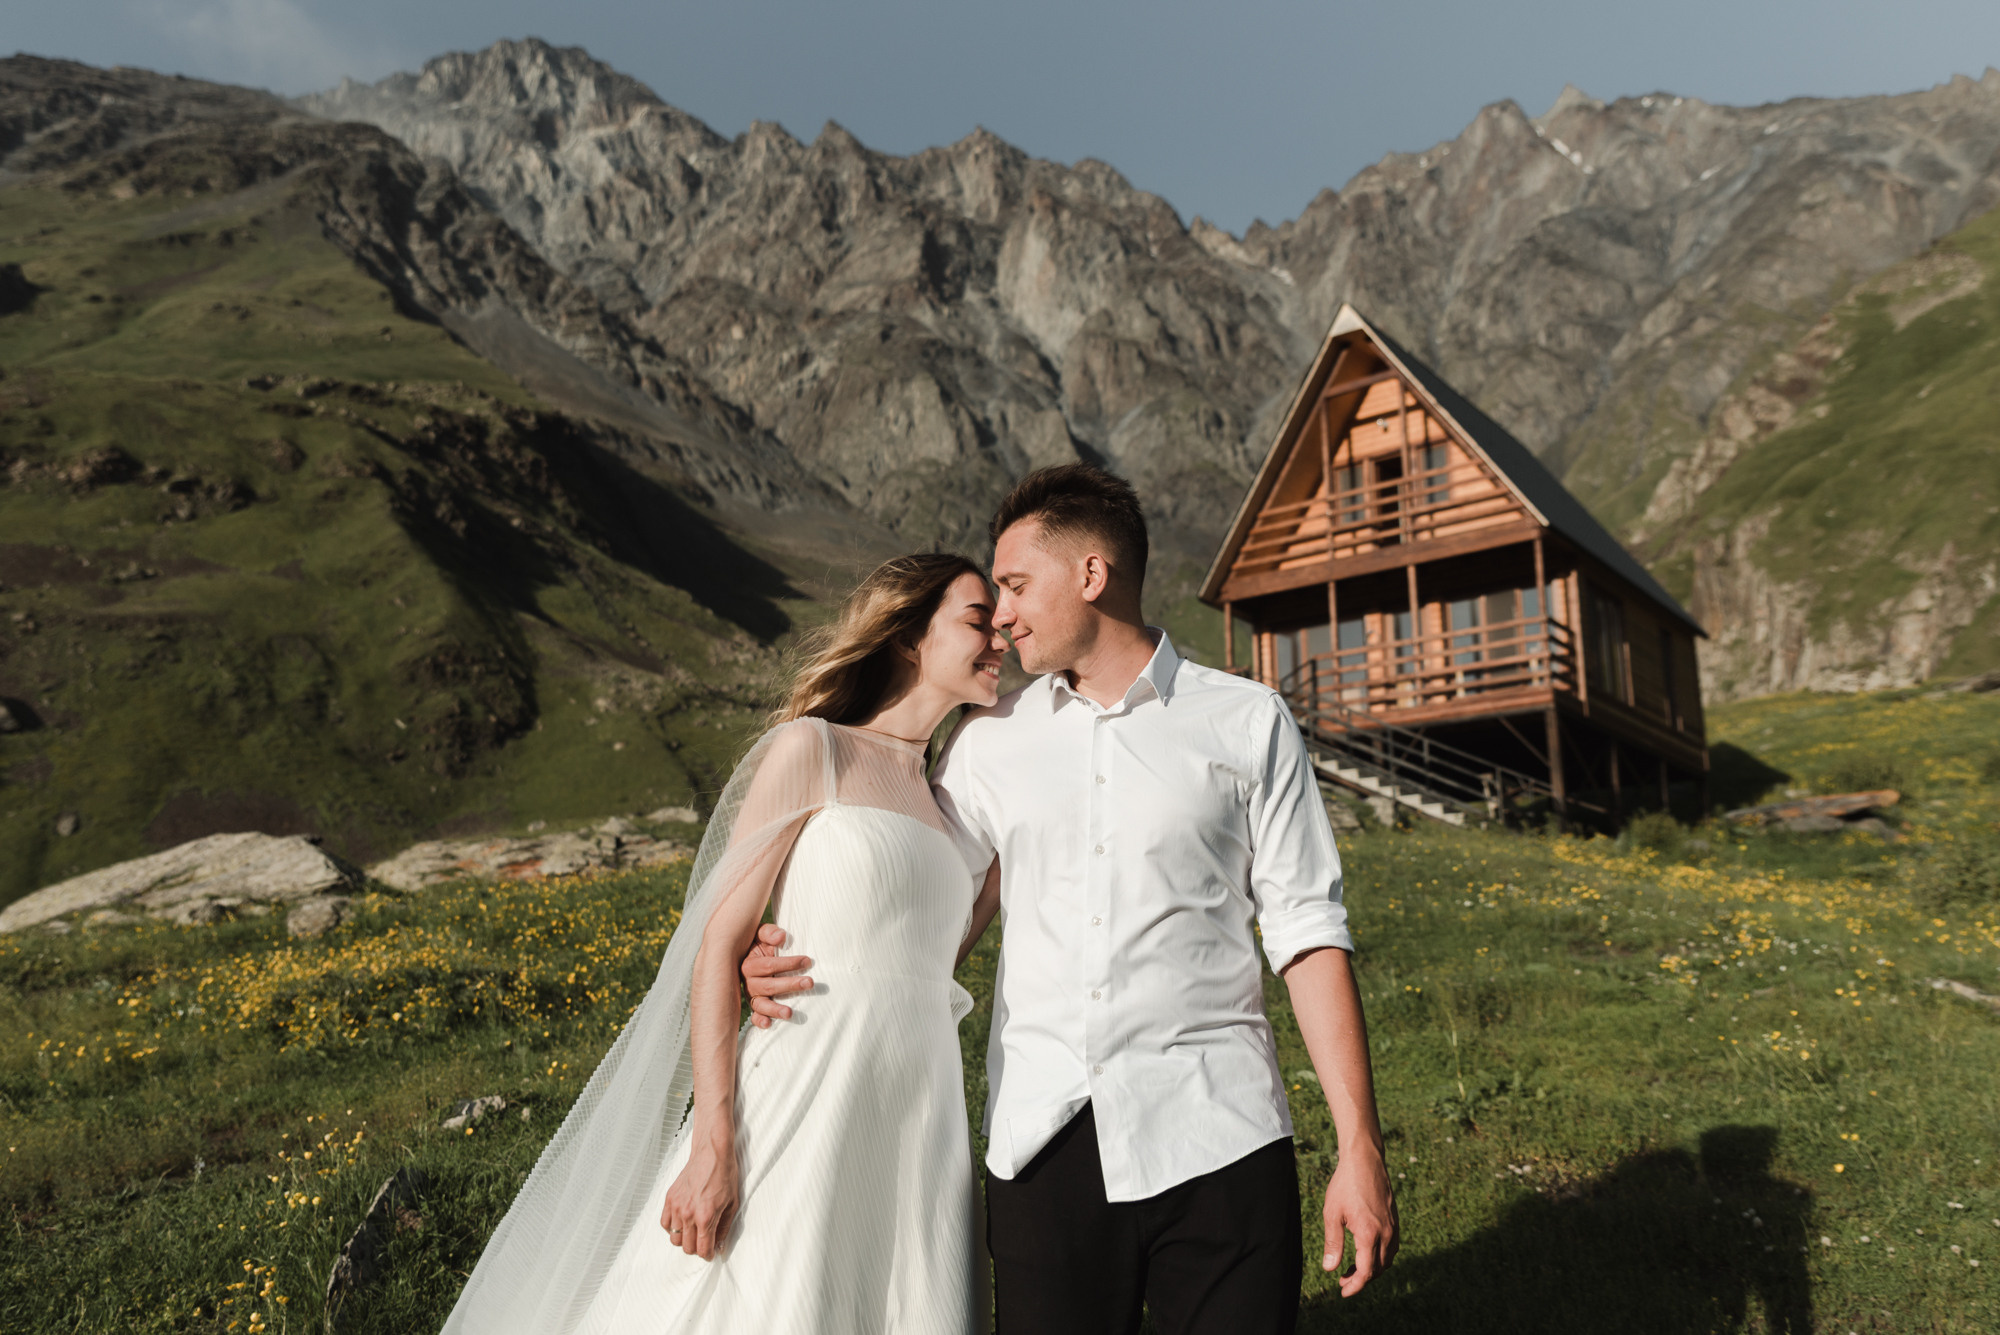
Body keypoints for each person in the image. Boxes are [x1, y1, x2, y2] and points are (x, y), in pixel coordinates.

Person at [748, 464, 1398, 1334]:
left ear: (1091, 575)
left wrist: (1359, 1149)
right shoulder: (988, 744)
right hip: (1041, 1152)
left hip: (1221, 1139)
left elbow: (1309, 935)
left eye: (1015, 585)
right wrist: (789, 960)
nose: (1002, 614)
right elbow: (919, 903)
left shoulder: (1248, 722)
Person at [441, 553, 1009, 1335]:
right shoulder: (816, 750)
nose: (1000, 639)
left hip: (919, 1113)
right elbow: (719, 945)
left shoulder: (950, 804)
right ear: (910, 634)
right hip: (803, 1094)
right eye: (978, 621)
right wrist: (713, 1143)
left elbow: (929, 959)